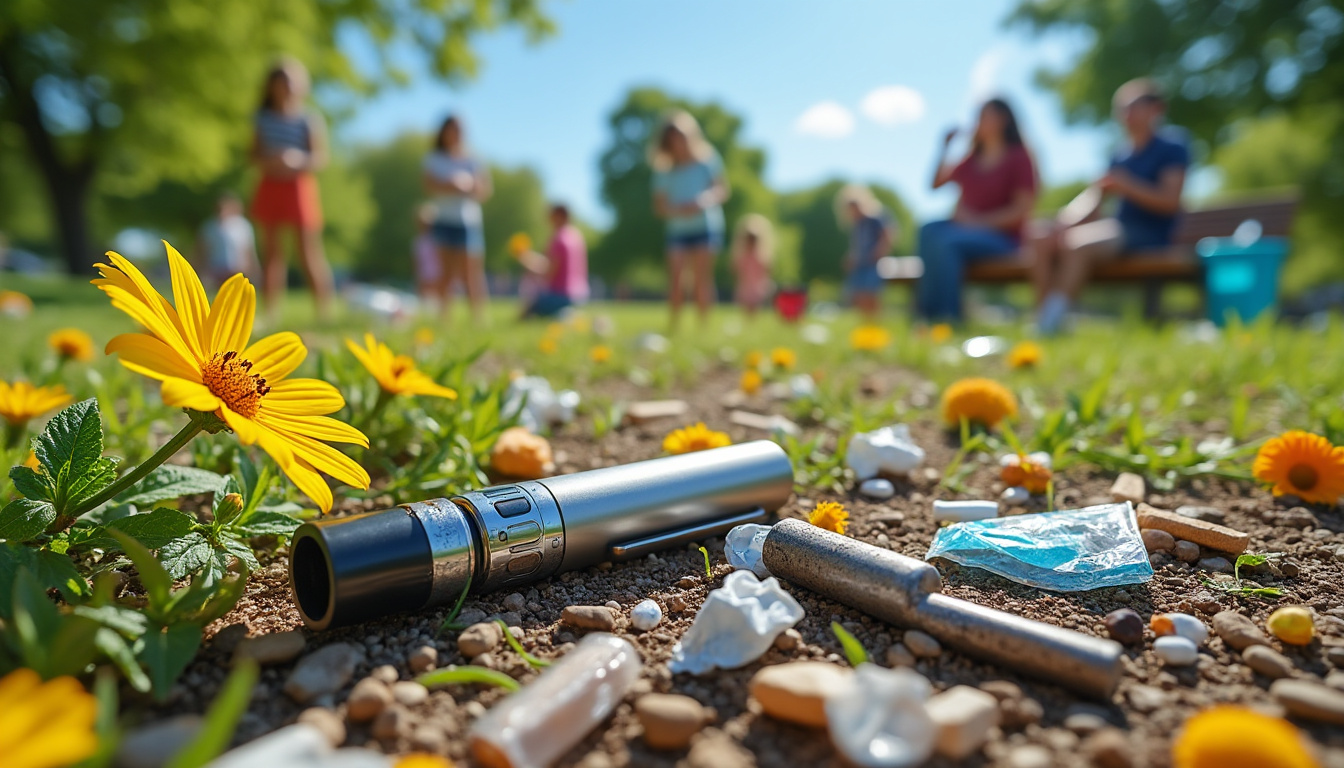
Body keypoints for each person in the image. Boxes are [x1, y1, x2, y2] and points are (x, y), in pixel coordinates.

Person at [1032, 79, 1189, 334]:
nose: (1125, 115)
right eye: (1121, 109)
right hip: (1117, 230)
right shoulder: (1120, 154)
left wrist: (1127, 186)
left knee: (1077, 244)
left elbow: (1170, 202)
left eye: (1132, 107)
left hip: (1151, 234)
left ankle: (1051, 323)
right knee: (1044, 236)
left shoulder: (1172, 147)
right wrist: (1063, 223)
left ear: (1155, 109)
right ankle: (1042, 317)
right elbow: (1095, 198)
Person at [919, 98, 1038, 323]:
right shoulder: (971, 160)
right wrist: (945, 148)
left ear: (1003, 119)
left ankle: (948, 317)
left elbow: (1021, 211)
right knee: (928, 230)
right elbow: (935, 185)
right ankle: (926, 314)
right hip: (965, 231)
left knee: (947, 243)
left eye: (984, 116)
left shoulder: (1019, 157)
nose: (978, 122)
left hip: (1004, 239)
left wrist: (976, 222)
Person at [250, 57, 333, 320]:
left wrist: (296, 160)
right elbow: (253, 155)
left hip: (299, 186)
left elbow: (320, 157)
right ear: (271, 85)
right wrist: (272, 160)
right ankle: (270, 311)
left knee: (309, 251)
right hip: (270, 184)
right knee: (272, 253)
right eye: (282, 81)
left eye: (292, 81)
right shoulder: (262, 118)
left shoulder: (309, 118)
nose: (287, 86)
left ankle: (324, 311)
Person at [651, 111, 729, 328]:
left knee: (701, 279)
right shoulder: (664, 168)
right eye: (673, 140)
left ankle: (703, 325)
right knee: (676, 278)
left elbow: (721, 189)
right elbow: (659, 206)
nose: (678, 144)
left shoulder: (707, 159)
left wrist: (703, 201)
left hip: (705, 226)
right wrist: (678, 210)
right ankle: (674, 325)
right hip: (678, 230)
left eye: (682, 138)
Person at [424, 115, 492, 323]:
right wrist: (451, 185)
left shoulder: (473, 159)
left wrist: (471, 186)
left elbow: (485, 190)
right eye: (452, 129)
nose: (455, 133)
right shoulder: (434, 158)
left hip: (468, 222)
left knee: (471, 273)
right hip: (444, 219)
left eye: (459, 129)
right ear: (443, 131)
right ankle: (444, 318)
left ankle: (477, 318)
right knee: (445, 273)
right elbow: (428, 185)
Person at [518, 203, 590, 318]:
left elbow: (549, 272)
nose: (549, 221)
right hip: (581, 297)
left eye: (551, 216)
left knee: (530, 307)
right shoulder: (577, 237)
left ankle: (564, 313)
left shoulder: (559, 239)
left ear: (559, 216)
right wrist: (530, 257)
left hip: (562, 296)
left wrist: (527, 263)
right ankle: (568, 313)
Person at [836, 185, 894, 321]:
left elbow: (888, 234)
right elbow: (857, 246)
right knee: (857, 294)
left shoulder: (875, 218)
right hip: (860, 264)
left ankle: (875, 321)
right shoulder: (857, 224)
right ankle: (865, 321)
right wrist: (851, 258)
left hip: (873, 263)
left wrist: (880, 250)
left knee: (871, 293)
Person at [196, 193, 258, 287]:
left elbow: (248, 251)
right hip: (214, 269)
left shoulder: (242, 226)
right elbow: (202, 251)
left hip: (236, 268)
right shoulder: (209, 227)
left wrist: (253, 269)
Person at [730, 214, 775, 318]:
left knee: (755, 306)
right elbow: (735, 269)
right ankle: (748, 320)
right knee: (746, 306)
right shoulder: (742, 256)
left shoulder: (761, 256)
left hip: (757, 287)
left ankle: (753, 320)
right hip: (745, 286)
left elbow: (767, 270)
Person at [412, 204, 442, 304]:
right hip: (424, 275)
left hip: (438, 275)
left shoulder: (439, 240)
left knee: (437, 300)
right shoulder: (418, 241)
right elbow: (417, 262)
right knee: (425, 301)